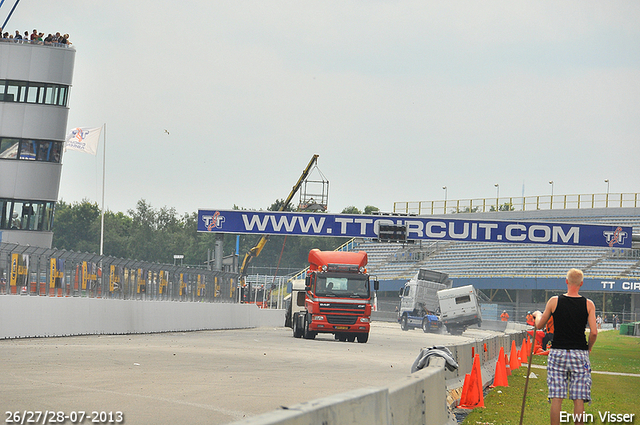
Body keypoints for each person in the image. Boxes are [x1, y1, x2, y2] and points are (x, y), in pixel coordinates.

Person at [533, 268, 597, 425]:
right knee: (579, 399)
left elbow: (540, 325)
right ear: (581, 283)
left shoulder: (554, 301)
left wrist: (537, 315)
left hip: (558, 352)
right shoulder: (588, 304)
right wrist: (588, 347)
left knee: (556, 397)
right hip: (579, 353)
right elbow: (594, 332)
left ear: (566, 281)